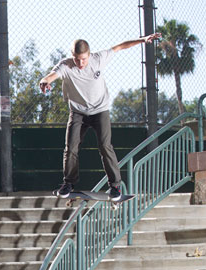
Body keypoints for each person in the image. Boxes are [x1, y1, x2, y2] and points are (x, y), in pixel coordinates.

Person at [39, 33, 161, 200]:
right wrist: (45, 81)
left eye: (83, 59)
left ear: (89, 55)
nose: (81, 63)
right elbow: (51, 75)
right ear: (72, 56)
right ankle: (68, 183)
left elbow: (120, 46)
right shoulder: (65, 66)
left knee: (105, 146)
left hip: (100, 110)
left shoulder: (98, 59)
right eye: (77, 60)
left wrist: (142, 40)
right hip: (78, 112)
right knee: (71, 147)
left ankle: (115, 186)